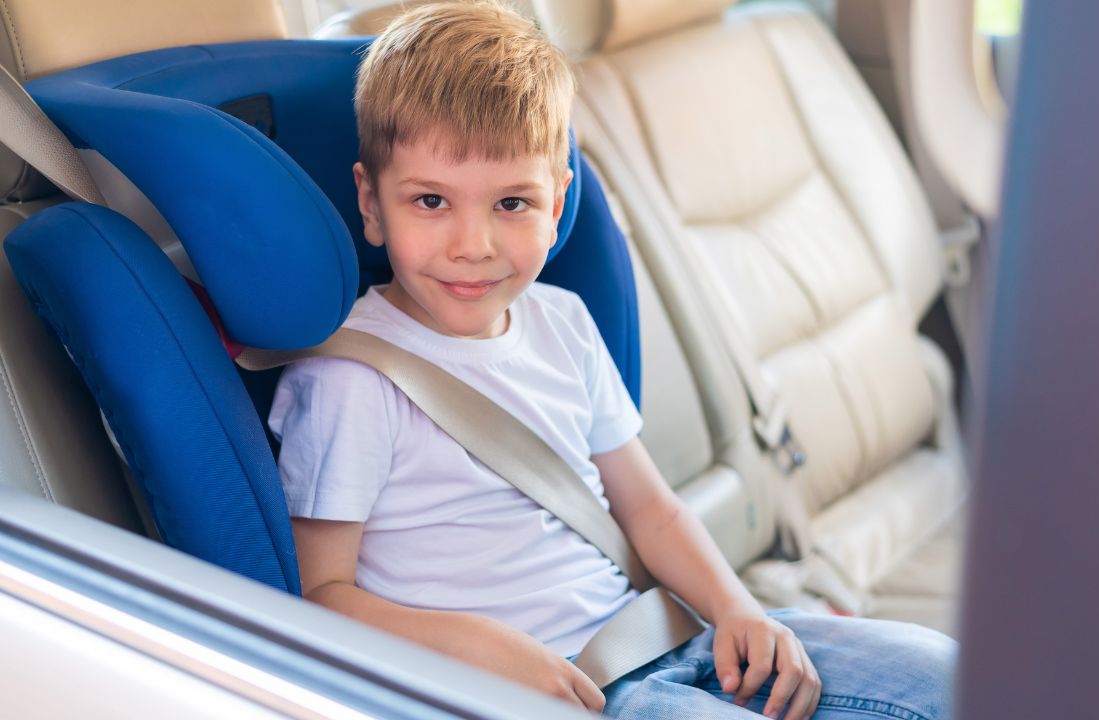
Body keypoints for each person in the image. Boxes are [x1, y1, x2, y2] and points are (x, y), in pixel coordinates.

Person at [269, 3, 956, 718]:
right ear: (371, 203)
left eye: (511, 203)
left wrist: (738, 609)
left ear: (559, 199)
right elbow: (322, 598)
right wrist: (470, 645)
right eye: (432, 201)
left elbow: (651, 509)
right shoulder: (352, 381)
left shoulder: (561, 322)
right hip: (525, 688)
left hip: (658, 641)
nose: (472, 244)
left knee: (948, 675)